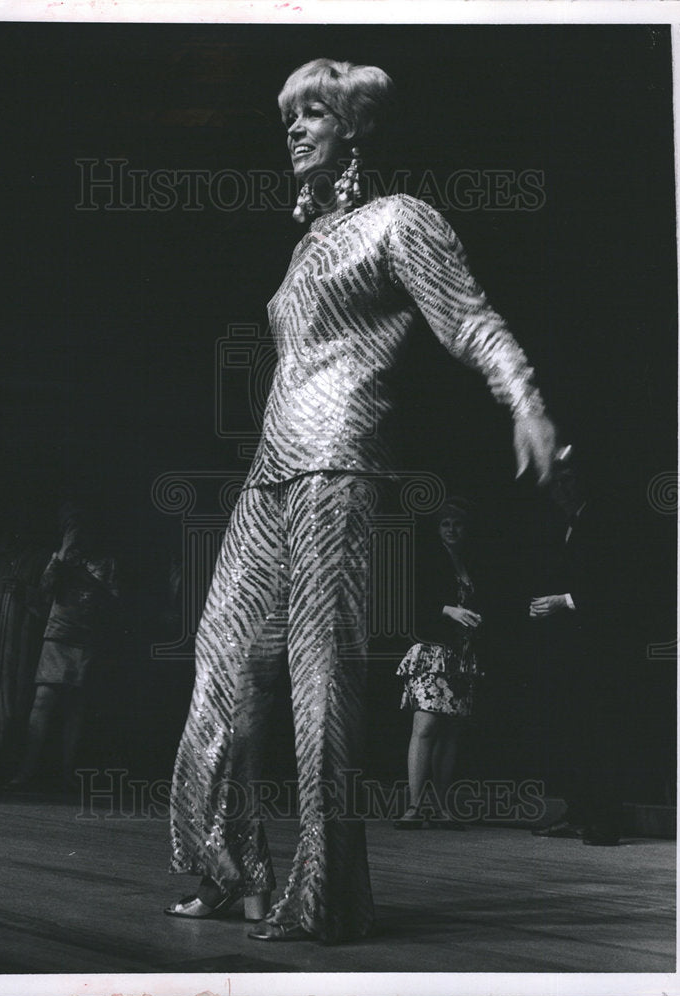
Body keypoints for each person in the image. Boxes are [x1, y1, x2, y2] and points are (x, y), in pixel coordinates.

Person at [166, 58, 558, 943]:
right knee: (222, 669)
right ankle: (233, 874)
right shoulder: (307, 243)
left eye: (315, 113)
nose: (296, 128)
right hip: (269, 469)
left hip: (341, 460)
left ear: (357, 129)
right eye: (290, 117)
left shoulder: (401, 220)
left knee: (320, 676)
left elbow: (467, 317)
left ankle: (327, 891)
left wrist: (524, 400)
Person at [528, 457, 623, 846]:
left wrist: (563, 601)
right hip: (574, 650)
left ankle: (603, 820)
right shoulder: (572, 525)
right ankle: (580, 811)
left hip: (600, 651)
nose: (559, 492)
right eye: (556, 486)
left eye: (566, 483)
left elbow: (617, 584)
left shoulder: (601, 523)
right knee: (575, 730)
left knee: (598, 732)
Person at [7, 503, 118, 790]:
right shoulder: (62, 558)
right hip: (57, 635)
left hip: (87, 638)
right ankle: (25, 770)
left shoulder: (105, 561)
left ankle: (66, 773)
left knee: (75, 708)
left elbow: (110, 595)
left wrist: (75, 567)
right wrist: (60, 558)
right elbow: (46, 590)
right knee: (43, 702)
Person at [394, 498, 483, 830]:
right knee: (426, 726)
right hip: (432, 652)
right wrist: (449, 611)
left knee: (450, 732)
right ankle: (415, 805)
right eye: (445, 524)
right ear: (437, 530)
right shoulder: (429, 560)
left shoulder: (469, 563)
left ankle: (442, 806)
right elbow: (412, 602)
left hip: (461, 656)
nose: (451, 530)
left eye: (456, 524)